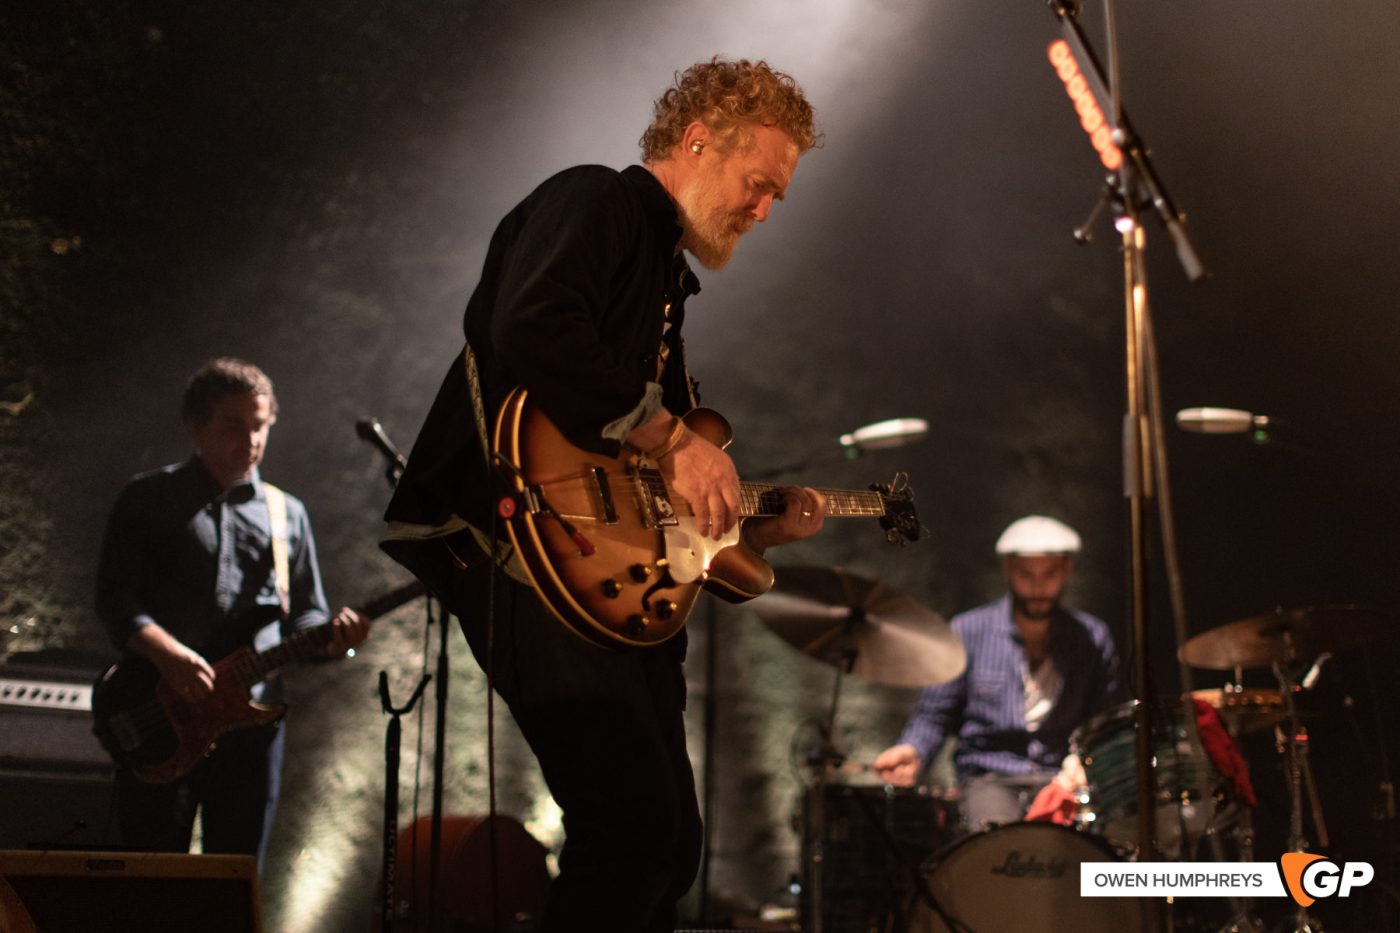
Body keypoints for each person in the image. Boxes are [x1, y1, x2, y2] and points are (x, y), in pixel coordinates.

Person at [381, 58, 825, 931]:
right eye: (758, 183)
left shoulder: (664, 276)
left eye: (779, 196)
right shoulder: (596, 200)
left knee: (666, 841)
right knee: (630, 830)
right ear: (697, 141)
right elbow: (532, 321)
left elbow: (644, 476)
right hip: (528, 547)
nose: (764, 210)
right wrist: (669, 440)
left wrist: (748, 529)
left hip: (605, 572)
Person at [95, 357, 370, 869]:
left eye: (260, 426)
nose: (250, 440)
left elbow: (306, 615)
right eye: (234, 426)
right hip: (163, 714)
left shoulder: (287, 514)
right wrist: (171, 657)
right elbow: (114, 599)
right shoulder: (147, 497)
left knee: (237, 879)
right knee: (150, 879)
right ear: (196, 426)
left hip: (251, 727)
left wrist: (335, 639)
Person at [873, 515, 1120, 831]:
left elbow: (1104, 720)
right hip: (989, 777)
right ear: (1008, 570)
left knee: (1079, 852)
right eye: (1026, 575)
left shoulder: (1093, 637)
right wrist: (913, 750)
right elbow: (935, 715)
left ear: (1067, 571)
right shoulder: (968, 631)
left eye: (1049, 575)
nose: (1037, 587)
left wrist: (1085, 762)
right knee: (998, 850)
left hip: (1060, 777)